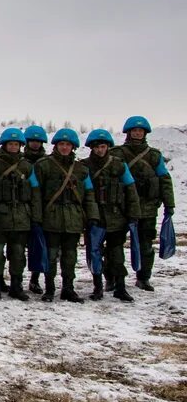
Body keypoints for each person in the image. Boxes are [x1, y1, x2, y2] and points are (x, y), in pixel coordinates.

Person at [31, 129, 99, 303]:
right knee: (50, 256)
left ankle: (68, 289)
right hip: (51, 217)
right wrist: (37, 218)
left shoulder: (81, 169)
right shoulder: (43, 165)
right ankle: (49, 289)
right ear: (56, 145)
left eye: (68, 144)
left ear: (73, 147)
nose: (64, 147)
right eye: (61, 144)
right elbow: (36, 194)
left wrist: (92, 216)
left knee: (70, 256)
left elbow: (89, 195)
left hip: (73, 218)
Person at [114, 116, 175, 291]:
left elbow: (164, 180)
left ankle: (143, 277)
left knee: (145, 244)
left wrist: (169, 204)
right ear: (128, 132)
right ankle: (113, 277)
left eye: (140, 131)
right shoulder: (118, 153)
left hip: (147, 207)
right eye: (134, 131)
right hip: (121, 207)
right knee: (115, 244)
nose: (137, 133)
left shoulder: (154, 155)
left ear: (145, 133)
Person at [83, 129, 141, 302]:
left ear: (107, 147)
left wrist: (133, 214)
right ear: (91, 148)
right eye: (97, 147)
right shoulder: (84, 167)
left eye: (103, 146)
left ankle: (120, 287)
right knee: (94, 253)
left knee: (117, 254)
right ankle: (98, 287)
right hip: (96, 217)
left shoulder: (119, 165)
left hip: (117, 217)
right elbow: (85, 193)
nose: (100, 150)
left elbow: (131, 190)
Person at [0, 128, 39, 301]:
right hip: (0, 216)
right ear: (4, 145)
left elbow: (35, 192)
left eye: (17, 144)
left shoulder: (27, 166)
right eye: (11, 144)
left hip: (22, 216)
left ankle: (16, 286)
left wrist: (36, 217)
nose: (14, 147)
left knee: (17, 254)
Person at [23, 125, 49, 294]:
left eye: (38, 141)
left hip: (43, 207)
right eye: (32, 141)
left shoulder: (47, 162)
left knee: (39, 245)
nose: (35, 144)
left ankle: (34, 279)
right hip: (22, 207)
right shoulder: (21, 160)